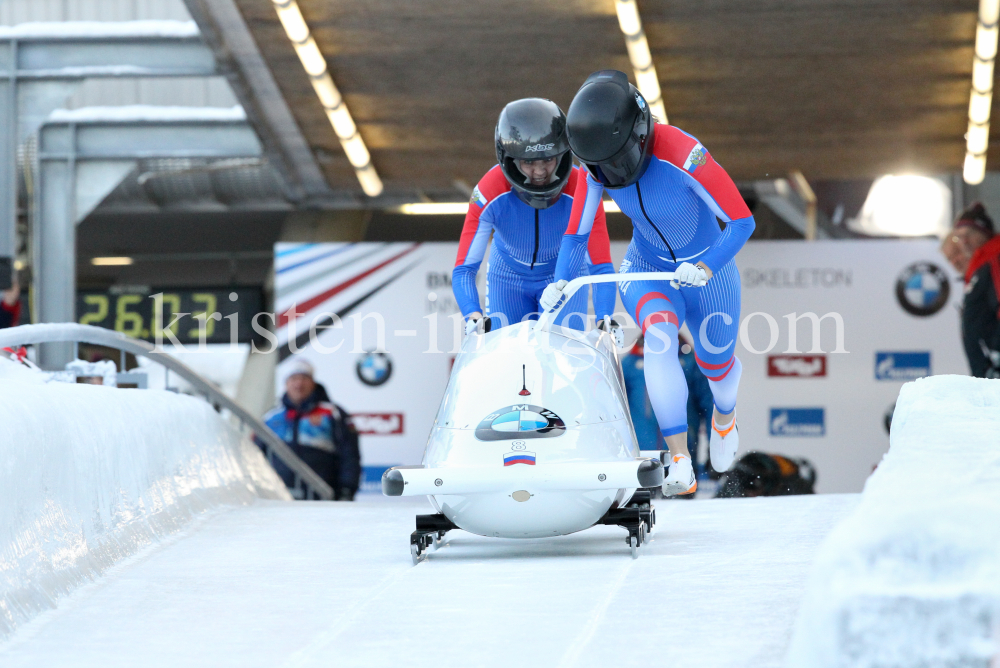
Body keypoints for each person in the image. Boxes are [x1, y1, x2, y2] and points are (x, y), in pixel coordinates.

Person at [543, 70, 756, 496]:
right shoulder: (595, 169)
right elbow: (576, 235)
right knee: (658, 335)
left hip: (706, 274)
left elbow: (740, 221)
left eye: (617, 163)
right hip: (647, 265)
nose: (613, 174)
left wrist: (709, 266)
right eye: (602, 167)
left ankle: (725, 415)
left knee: (717, 367)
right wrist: (561, 281)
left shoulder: (684, 153)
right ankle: (679, 460)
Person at [452, 98, 620, 337]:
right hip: (507, 279)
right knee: (509, 360)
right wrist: (473, 316)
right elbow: (465, 268)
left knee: (562, 356)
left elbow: (601, 266)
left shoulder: (583, 189)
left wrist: (605, 318)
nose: (540, 172)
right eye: (529, 162)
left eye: (548, 160)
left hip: (563, 281)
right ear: (510, 160)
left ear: (562, 156)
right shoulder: (489, 191)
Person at [262, 359, 361, 500]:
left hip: (323, 498)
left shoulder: (333, 414)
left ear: (313, 382)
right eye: (293, 378)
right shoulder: (271, 418)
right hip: (279, 499)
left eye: (304, 378)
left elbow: (350, 455)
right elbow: (256, 456)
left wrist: (347, 489)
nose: (299, 384)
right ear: (286, 383)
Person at [950, 203, 1000, 377]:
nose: (964, 242)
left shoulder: (995, 257)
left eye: (969, 235)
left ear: (984, 233)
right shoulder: (981, 262)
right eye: (959, 237)